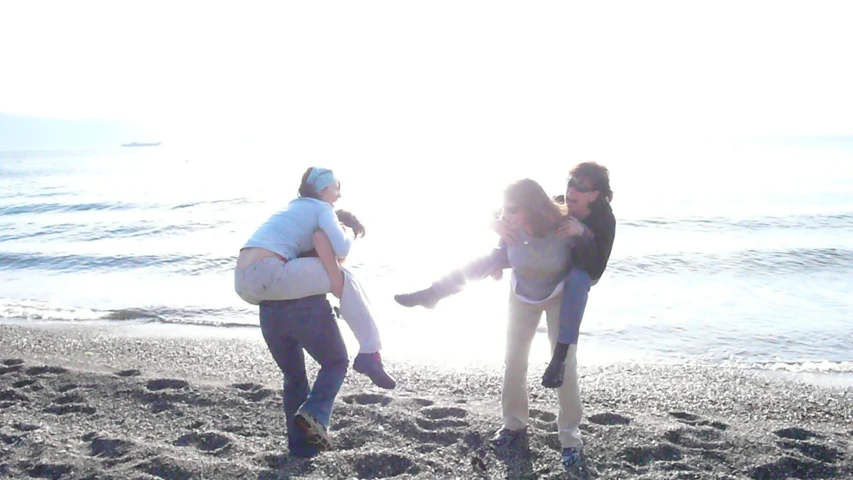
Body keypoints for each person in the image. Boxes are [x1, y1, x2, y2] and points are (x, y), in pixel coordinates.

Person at [402, 178, 586, 469]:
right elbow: (477, 217)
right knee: (513, 361)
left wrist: (584, 232)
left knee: (564, 366)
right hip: (522, 294)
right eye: (504, 210)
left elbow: (593, 248)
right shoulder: (509, 225)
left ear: (533, 208)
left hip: (558, 297)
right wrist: (495, 224)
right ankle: (513, 426)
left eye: (512, 210)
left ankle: (570, 439)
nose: (506, 215)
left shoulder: (563, 226)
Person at [396, 162, 616, 390]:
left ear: (594, 195)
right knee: (492, 257)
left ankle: (560, 356)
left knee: (578, 280)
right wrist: (499, 229)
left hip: (584, 266)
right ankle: (434, 293)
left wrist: (582, 233)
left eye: (580, 188)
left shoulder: (604, 220)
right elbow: (516, 213)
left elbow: (597, 267)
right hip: (543, 257)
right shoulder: (559, 204)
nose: (572, 191)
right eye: (571, 184)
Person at [234, 166, 396, 389]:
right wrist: (349, 232)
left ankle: (369, 352)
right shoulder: (321, 208)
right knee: (346, 276)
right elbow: (340, 248)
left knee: (294, 376)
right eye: (336, 188)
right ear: (322, 191)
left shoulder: (293, 209)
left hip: (243, 280)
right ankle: (370, 352)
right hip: (268, 272)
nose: (339, 195)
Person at [259, 294, 347, 456]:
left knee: (293, 376)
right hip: (308, 304)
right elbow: (334, 271)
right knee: (336, 363)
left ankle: (300, 446)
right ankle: (314, 414)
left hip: (269, 309)